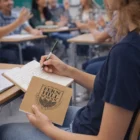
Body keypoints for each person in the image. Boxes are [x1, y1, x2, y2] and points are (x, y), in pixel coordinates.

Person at [0, 0, 140, 140]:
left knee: (4, 131)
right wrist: (68, 70)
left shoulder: (125, 53)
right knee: (46, 109)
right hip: (92, 119)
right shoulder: (132, 44)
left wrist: (47, 128)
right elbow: (109, 86)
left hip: (86, 131)